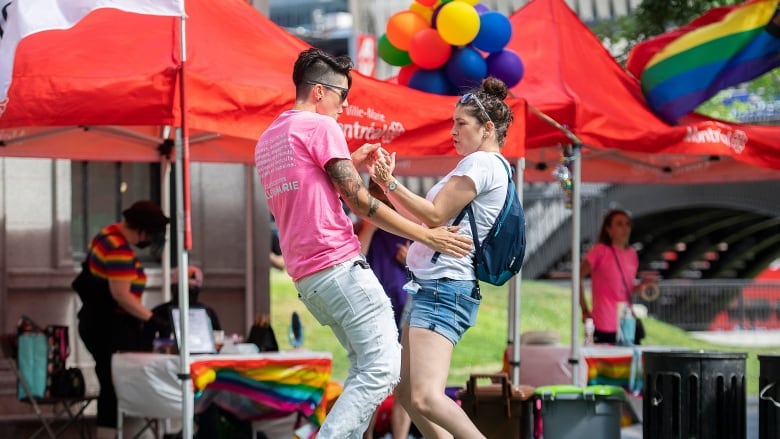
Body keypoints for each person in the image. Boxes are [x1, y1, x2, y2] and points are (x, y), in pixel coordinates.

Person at [254, 47, 472, 438]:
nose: (345, 105)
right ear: (319, 92)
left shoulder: (270, 138)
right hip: (338, 266)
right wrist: (426, 233)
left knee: (364, 369)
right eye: (342, 95)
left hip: (309, 278)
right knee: (383, 369)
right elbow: (359, 202)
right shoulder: (320, 127)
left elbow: (311, 190)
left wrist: (349, 161)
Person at [368, 77, 515, 439]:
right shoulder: (479, 164)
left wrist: (390, 183)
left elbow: (433, 215)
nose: (453, 131)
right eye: (453, 122)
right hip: (430, 286)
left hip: (444, 287)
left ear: (488, 129)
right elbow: (427, 217)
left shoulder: (482, 163)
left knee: (426, 397)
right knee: (407, 393)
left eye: (460, 123)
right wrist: (390, 186)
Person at [76, 200, 169, 438]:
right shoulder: (119, 250)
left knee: (111, 385)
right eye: (152, 234)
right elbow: (122, 296)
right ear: (142, 230)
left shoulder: (105, 235)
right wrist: (153, 319)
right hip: (109, 329)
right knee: (113, 388)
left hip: (94, 324)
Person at [358, 181, 412, 439]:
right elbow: (356, 256)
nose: (381, 199)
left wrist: (411, 258)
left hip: (407, 309)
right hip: (375, 312)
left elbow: (427, 260)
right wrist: (370, 223)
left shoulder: (407, 221)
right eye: (375, 193)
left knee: (404, 382)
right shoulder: (365, 222)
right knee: (375, 377)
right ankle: (366, 436)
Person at [579, 209, 654, 344]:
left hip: (627, 322)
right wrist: (584, 309)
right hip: (604, 321)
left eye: (627, 224)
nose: (625, 228)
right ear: (609, 230)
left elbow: (626, 287)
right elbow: (577, 276)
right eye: (619, 224)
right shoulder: (599, 251)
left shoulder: (632, 254)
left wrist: (640, 287)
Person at [142, 265, 222, 350]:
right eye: (184, 288)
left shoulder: (207, 313)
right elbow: (146, 346)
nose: (188, 294)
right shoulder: (159, 314)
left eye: (193, 289)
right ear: (173, 288)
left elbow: (218, 343)